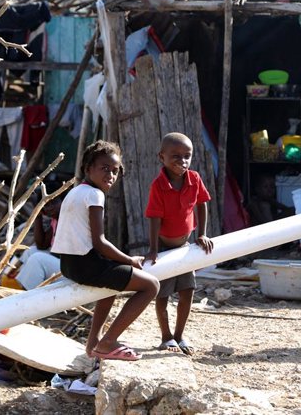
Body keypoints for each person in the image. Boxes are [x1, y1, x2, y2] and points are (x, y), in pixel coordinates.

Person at [52, 140, 159, 361]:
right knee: (151, 286)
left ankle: (93, 343)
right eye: (104, 168)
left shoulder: (76, 192)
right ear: (88, 168)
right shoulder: (94, 195)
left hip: (69, 265)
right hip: (86, 265)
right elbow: (100, 242)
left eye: (115, 171)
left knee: (111, 284)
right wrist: (130, 260)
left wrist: (121, 262)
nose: (110, 175)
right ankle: (108, 343)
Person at [144, 132, 213, 356]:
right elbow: (154, 218)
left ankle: (179, 334)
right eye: (175, 156)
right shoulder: (158, 185)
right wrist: (153, 249)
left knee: (187, 290)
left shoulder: (194, 179)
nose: (182, 162)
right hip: (164, 247)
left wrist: (201, 234)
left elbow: (202, 204)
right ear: (161, 157)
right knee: (162, 294)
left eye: (187, 156)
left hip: (184, 247)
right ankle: (165, 337)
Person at [2, 191, 62, 290]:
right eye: (46, 205)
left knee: (37, 259)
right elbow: (41, 245)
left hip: (72, 269)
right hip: (61, 263)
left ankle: (24, 292)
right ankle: (7, 278)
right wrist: (37, 213)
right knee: (31, 251)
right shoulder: (55, 221)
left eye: (54, 203)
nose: (50, 207)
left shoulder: (68, 219)